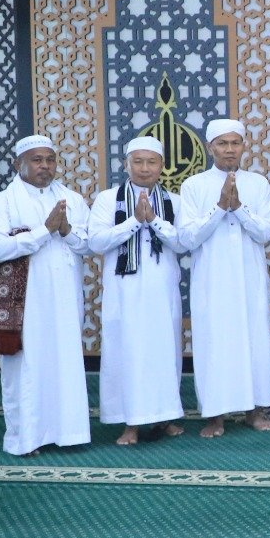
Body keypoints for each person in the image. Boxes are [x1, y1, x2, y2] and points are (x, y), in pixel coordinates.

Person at [179, 119, 270, 438]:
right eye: (223, 143)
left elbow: (266, 232)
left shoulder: (258, 183)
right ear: (210, 148)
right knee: (214, 342)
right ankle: (215, 415)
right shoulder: (194, 186)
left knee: (253, 339)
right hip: (212, 279)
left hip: (249, 278)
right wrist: (221, 208)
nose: (230, 149)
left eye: (235, 143)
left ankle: (254, 409)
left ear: (243, 146)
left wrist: (240, 209)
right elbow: (188, 238)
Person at [87, 136, 187, 445]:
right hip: (124, 291)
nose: (145, 169)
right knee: (127, 353)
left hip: (161, 291)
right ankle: (130, 423)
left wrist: (155, 221)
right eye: (138, 162)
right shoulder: (107, 199)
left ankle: (164, 417)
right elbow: (96, 243)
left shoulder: (173, 201)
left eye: (151, 162)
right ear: (126, 165)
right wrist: (133, 221)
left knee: (163, 352)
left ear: (161, 166)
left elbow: (184, 243)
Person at [0, 134, 89, 456]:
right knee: (26, 367)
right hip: (25, 303)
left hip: (64, 296)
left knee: (64, 361)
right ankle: (26, 438)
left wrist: (66, 230)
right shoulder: (2, 202)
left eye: (50, 160)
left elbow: (89, 245)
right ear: (18, 164)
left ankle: (67, 433)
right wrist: (43, 231)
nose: (45, 167)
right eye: (37, 160)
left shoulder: (72, 199)